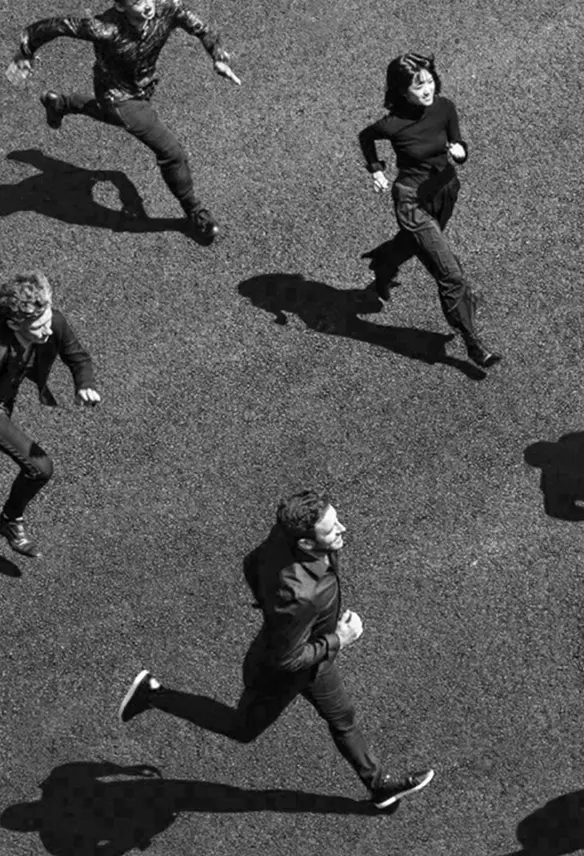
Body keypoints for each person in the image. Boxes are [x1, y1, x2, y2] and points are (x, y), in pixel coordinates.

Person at [116, 491, 435, 809]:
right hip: (278, 674)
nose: (343, 528)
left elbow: (251, 562)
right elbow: (287, 659)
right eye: (332, 529)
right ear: (306, 545)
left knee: (343, 718)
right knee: (241, 730)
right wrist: (340, 638)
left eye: (335, 519)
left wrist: (272, 610)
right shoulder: (300, 596)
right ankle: (152, 693)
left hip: (313, 658)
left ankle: (378, 785)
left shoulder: (285, 534)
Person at [4, 0, 242, 245]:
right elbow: (56, 26)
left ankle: (63, 104)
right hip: (117, 95)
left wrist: (218, 55)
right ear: (120, 6)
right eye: (139, 1)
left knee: (118, 120)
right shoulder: (103, 29)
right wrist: (26, 50)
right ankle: (195, 212)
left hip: (142, 87)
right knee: (171, 151)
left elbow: (201, 28)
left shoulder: (169, 6)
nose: (149, 4)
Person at [357, 53, 501, 371]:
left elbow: (458, 143)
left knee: (421, 247)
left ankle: (384, 261)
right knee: (451, 276)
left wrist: (460, 152)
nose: (427, 89)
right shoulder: (392, 124)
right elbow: (366, 137)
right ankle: (473, 345)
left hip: (445, 192)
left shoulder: (445, 107)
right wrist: (376, 170)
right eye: (418, 85)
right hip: (412, 204)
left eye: (430, 80)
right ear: (402, 90)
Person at [0, 272, 99, 560]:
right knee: (40, 468)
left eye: (47, 323)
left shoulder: (51, 320)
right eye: (38, 328)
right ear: (13, 323)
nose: (47, 332)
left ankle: (8, 519)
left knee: (39, 469)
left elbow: (78, 357)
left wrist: (85, 385)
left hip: (4, 397)